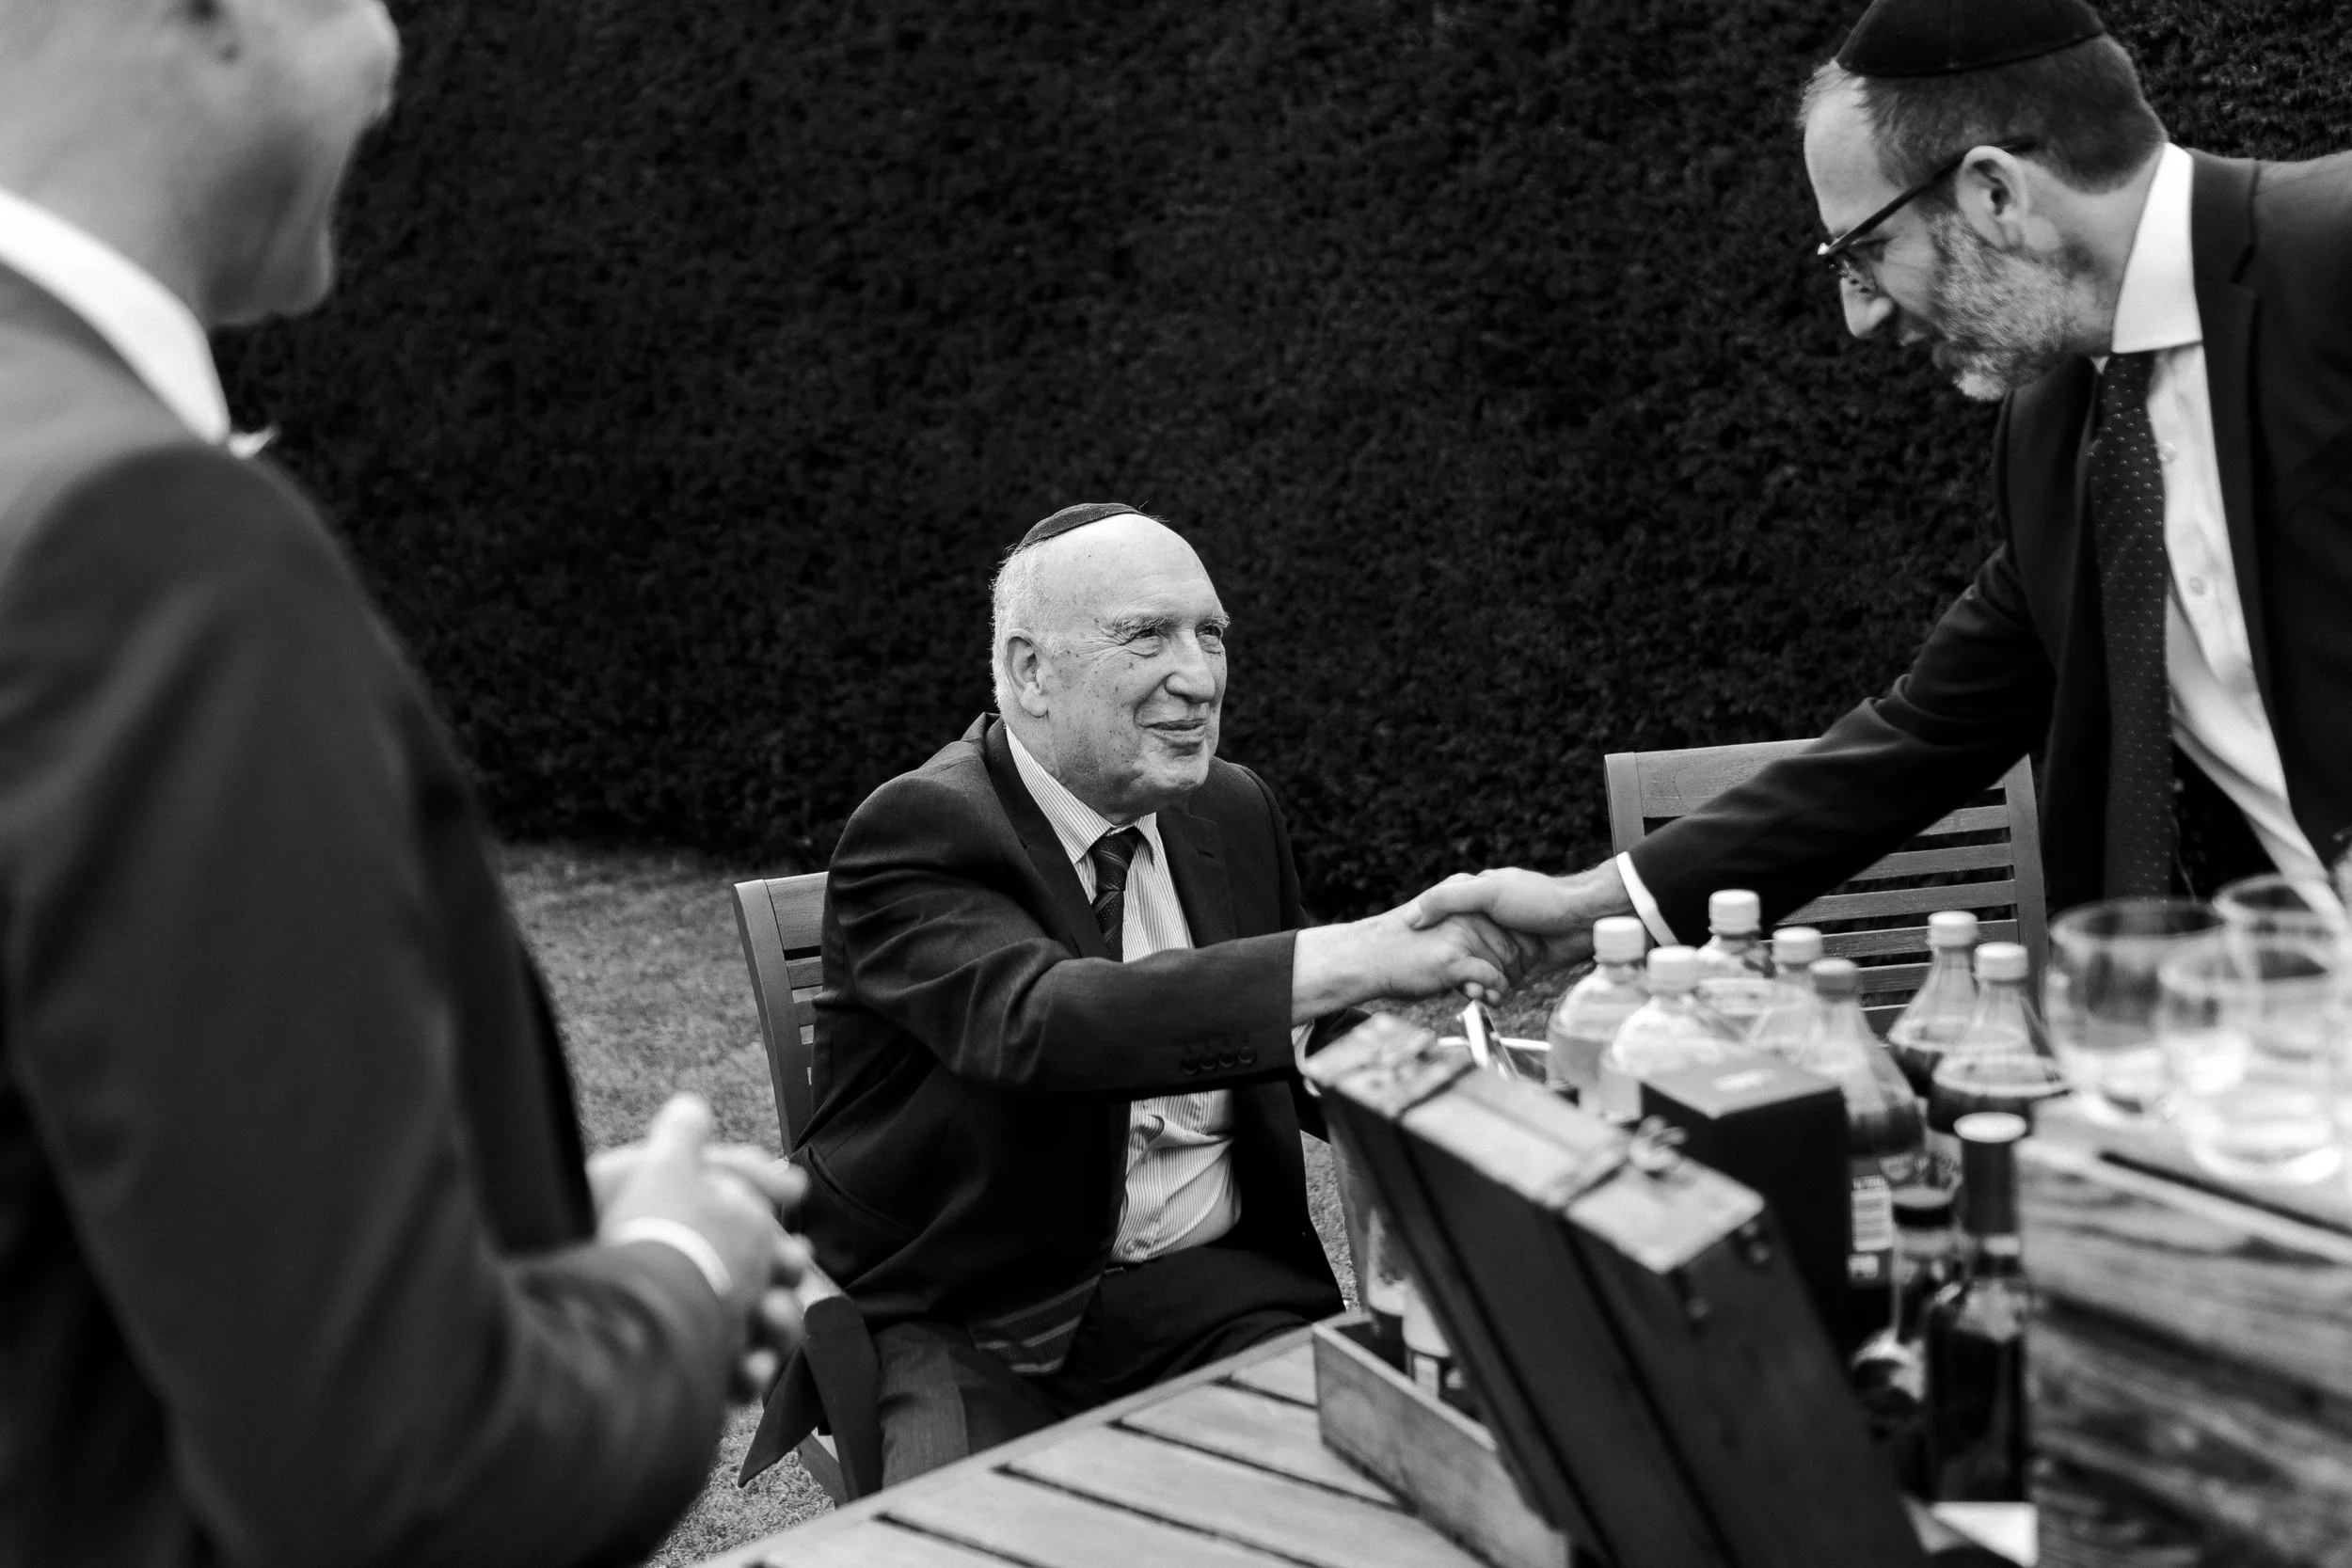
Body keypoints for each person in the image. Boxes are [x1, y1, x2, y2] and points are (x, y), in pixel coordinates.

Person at [0, 4, 807, 1564]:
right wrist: (673, 1278)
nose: (389, 56)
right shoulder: (147, 543)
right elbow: (406, 1483)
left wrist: (481, 1241)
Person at [1417, 0, 2352, 958]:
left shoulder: (2332, 249)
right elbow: (1925, 735)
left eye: (1861, 251)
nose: (1858, 318)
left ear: (1994, 192)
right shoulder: (2053, 430)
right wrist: (1591, 907)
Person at [743, 502, 1522, 1486]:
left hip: (1219, 1293)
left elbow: (1310, 1032)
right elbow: (1046, 1022)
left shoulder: (1230, 809)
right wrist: (1366, 949)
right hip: (974, 1313)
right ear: (1030, 670)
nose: (1198, 677)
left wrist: (1473, 1095)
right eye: (1147, 634)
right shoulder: (922, 827)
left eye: (1211, 636)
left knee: (1401, 1500)